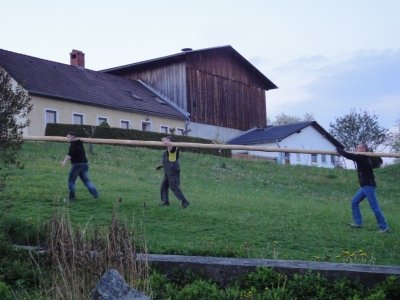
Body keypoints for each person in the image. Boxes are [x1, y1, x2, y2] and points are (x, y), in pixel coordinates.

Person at [337, 143, 389, 233]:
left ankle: (384, 227)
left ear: (364, 149)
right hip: (365, 186)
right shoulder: (364, 157)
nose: (357, 149)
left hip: (368, 186)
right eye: (356, 147)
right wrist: (342, 152)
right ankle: (358, 223)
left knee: (375, 207)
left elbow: (349, 155)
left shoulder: (362, 157)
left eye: (359, 148)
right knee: (354, 202)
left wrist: (340, 150)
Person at [62, 132, 99, 201]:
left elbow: (69, 155)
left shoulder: (73, 145)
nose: (67, 139)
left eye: (68, 137)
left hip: (77, 165)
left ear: (73, 137)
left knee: (71, 181)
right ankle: (96, 196)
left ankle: (71, 198)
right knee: (87, 181)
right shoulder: (80, 143)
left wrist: (64, 161)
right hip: (84, 164)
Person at [157, 136, 190, 208]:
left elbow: (170, 148)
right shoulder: (167, 150)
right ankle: (165, 201)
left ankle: (184, 201)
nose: (165, 142)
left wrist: (167, 142)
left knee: (174, 186)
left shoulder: (173, 148)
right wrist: (161, 166)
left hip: (172, 170)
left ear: (170, 141)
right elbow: (169, 159)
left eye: (167, 140)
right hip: (168, 170)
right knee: (164, 186)